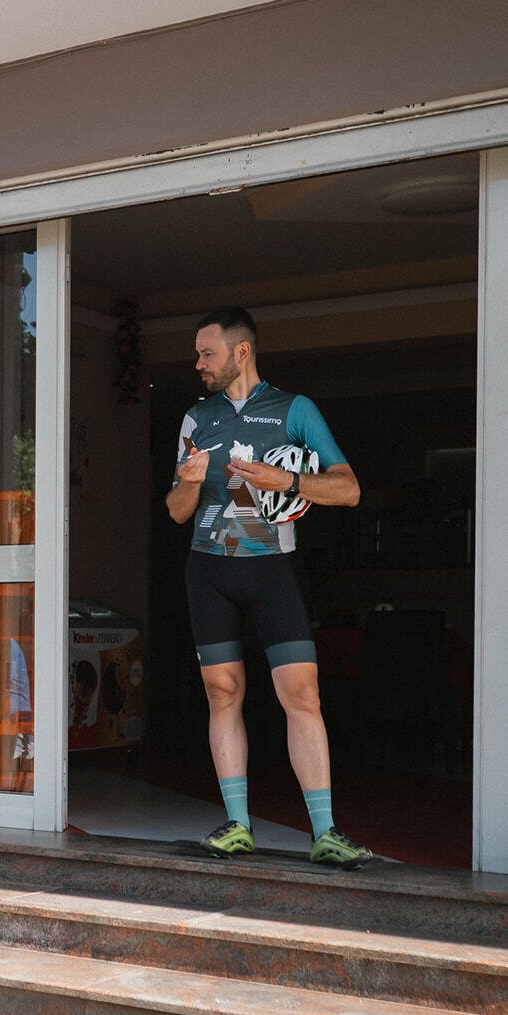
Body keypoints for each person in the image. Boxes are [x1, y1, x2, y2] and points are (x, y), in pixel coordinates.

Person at [165, 306, 373, 867]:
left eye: (207, 353)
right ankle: (236, 824)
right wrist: (186, 484)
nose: (198, 363)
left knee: (301, 696)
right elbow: (178, 512)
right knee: (222, 694)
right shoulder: (195, 418)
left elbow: (349, 490)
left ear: (241, 352)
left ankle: (326, 832)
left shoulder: (295, 410)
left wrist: (288, 481)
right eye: (196, 354)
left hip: (272, 571)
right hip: (208, 570)